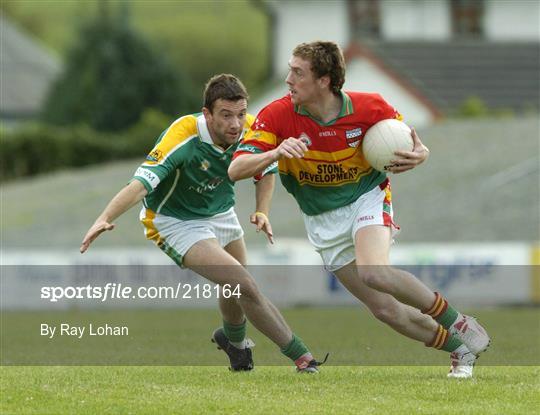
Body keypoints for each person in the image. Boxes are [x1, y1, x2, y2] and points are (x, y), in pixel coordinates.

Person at [228, 41, 491, 378]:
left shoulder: (371, 107)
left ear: (324, 80)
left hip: (368, 196)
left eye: (298, 72)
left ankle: (458, 321)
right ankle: (460, 349)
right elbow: (236, 170)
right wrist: (275, 153)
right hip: (322, 219)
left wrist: (421, 153)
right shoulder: (277, 115)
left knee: (374, 272)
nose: (288, 79)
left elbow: (410, 141)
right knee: (384, 309)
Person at [80, 74, 325, 373]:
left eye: (240, 113)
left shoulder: (249, 129)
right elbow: (141, 184)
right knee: (243, 283)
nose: (235, 123)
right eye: (225, 115)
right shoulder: (183, 135)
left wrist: (262, 211)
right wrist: (104, 218)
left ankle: (234, 343)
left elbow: (266, 169)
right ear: (207, 113)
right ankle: (303, 357)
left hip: (221, 213)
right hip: (174, 221)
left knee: (234, 287)